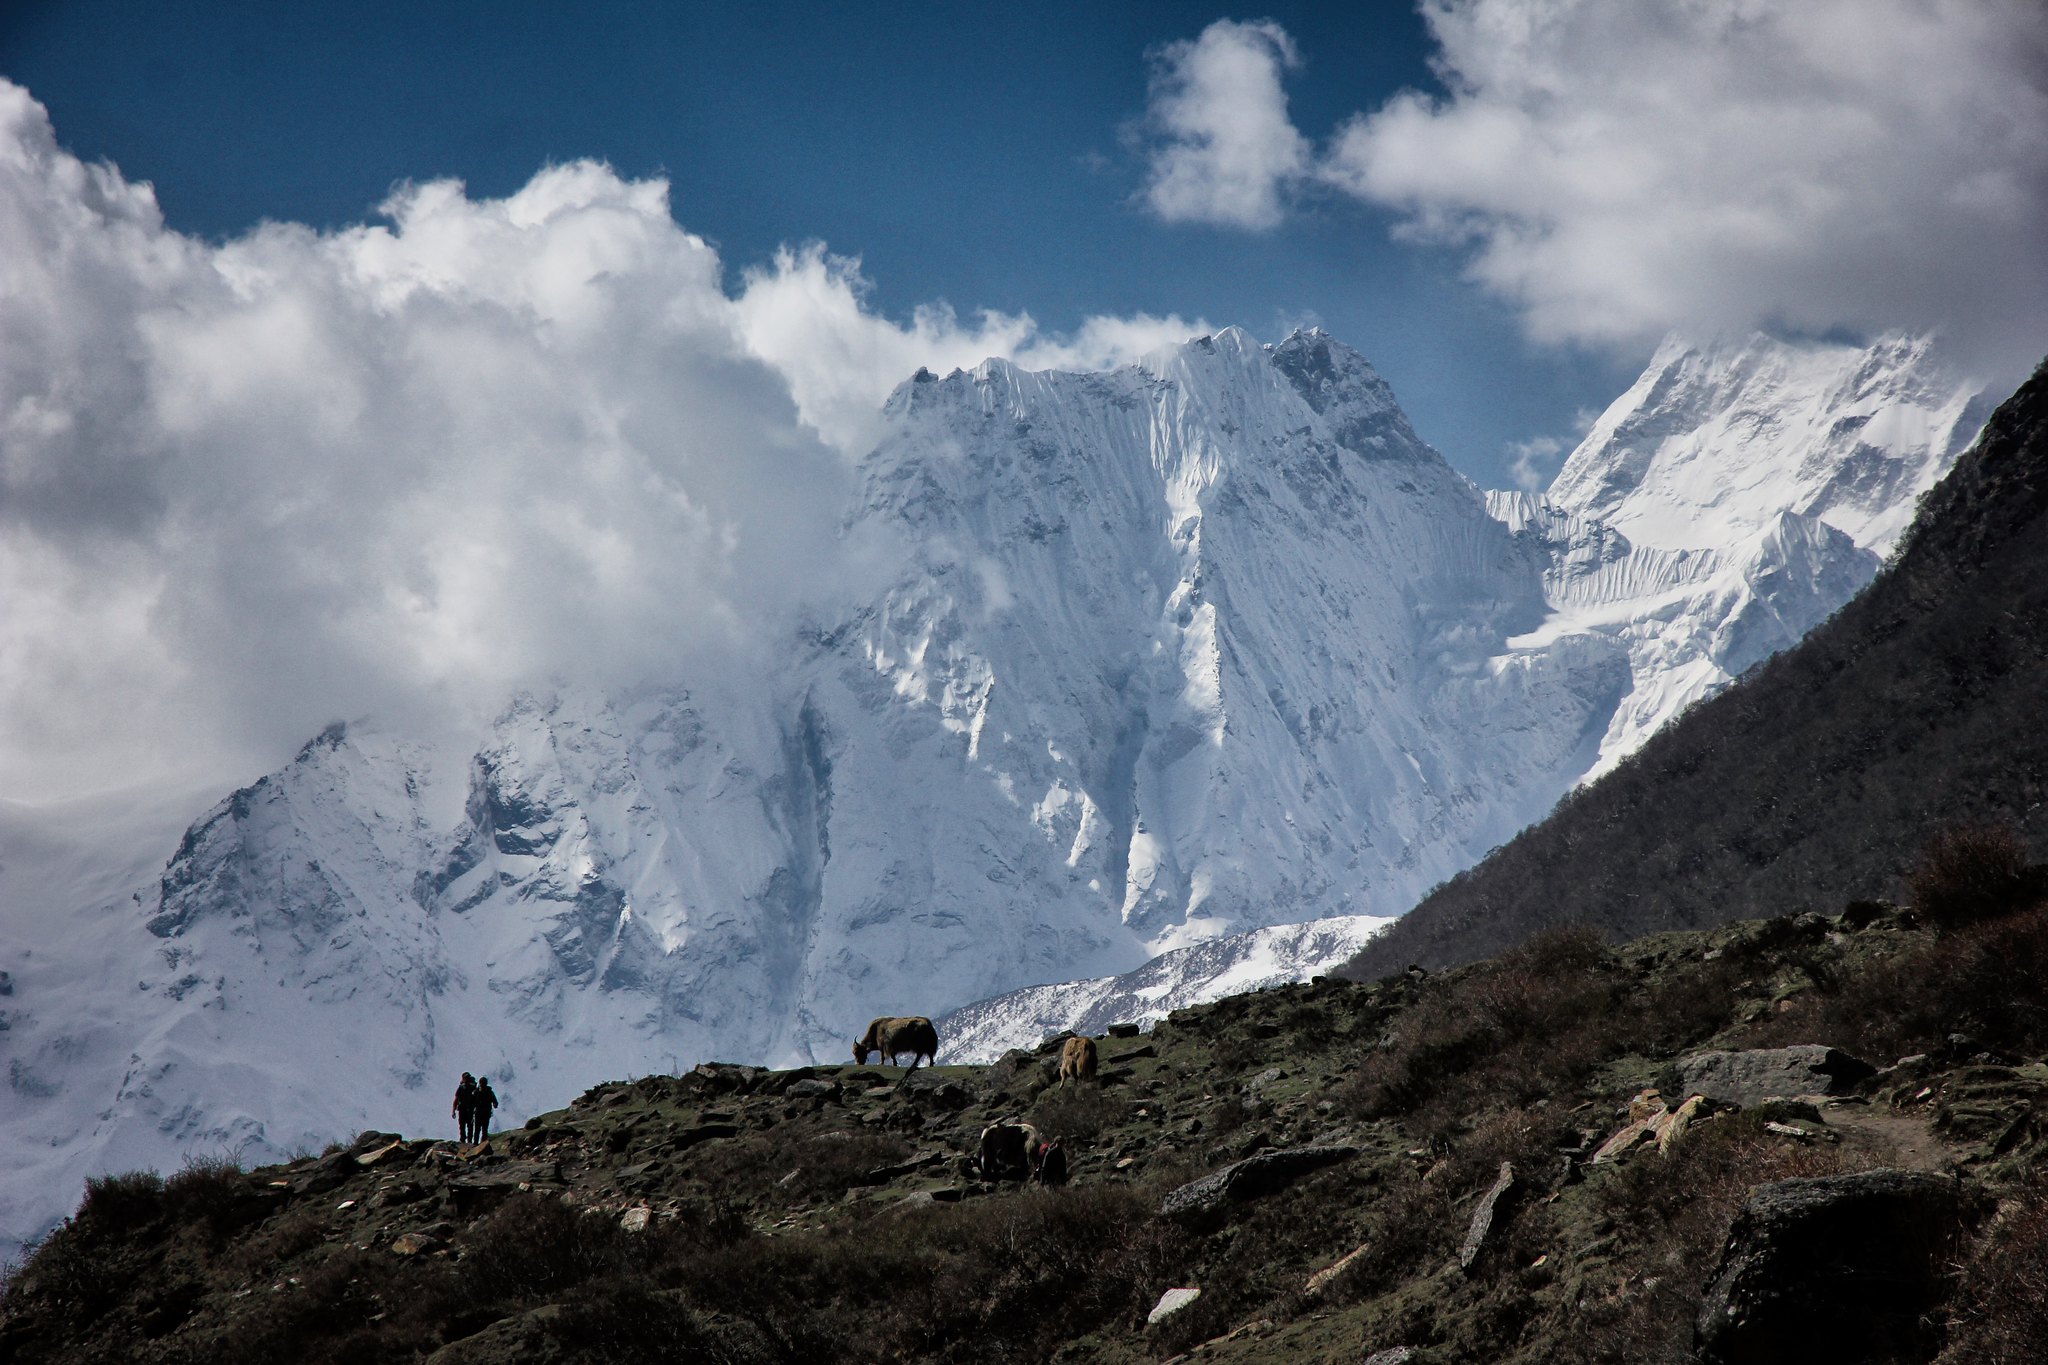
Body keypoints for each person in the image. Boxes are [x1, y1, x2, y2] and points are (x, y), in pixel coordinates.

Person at [452, 1072, 477, 1143]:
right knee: (466, 1126)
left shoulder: (463, 1088)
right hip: (466, 1109)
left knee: (466, 1126)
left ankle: (465, 1140)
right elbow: (456, 1100)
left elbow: (456, 1100)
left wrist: (453, 1111)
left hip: (466, 1109)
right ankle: (466, 1140)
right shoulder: (472, 1088)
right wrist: (453, 1110)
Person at [474, 1076, 499, 1141]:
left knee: (480, 1129)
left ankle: (478, 1143)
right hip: (482, 1113)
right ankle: (479, 1143)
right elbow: (495, 1103)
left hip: (482, 1113)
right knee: (481, 1129)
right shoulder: (488, 1092)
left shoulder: (477, 1092)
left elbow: (495, 1102)